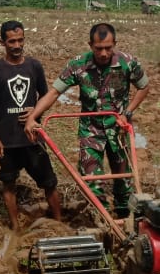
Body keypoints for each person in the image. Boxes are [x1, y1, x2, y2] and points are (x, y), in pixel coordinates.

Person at [24, 22, 150, 218]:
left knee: (123, 177)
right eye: (98, 48)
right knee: (90, 177)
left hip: (119, 128)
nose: (103, 53)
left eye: (108, 48)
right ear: (90, 45)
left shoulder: (128, 62)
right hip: (90, 130)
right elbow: (54, 92)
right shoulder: (78, 65)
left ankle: (126, 215)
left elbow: (144, 86)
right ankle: (103, 218)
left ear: (114, 43)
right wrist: (32, 117)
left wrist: (128, 113)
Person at [0, 20, 62, 232]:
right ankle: (16, 226)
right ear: (2, 42)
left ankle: (59, 223)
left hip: (31, 137)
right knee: (9, 183)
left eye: (20, 40)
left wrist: (36, 112)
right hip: (7, 139)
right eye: (12, 41)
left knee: (49, 182)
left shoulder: (34, 66)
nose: (17, 45)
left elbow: (45, 96)